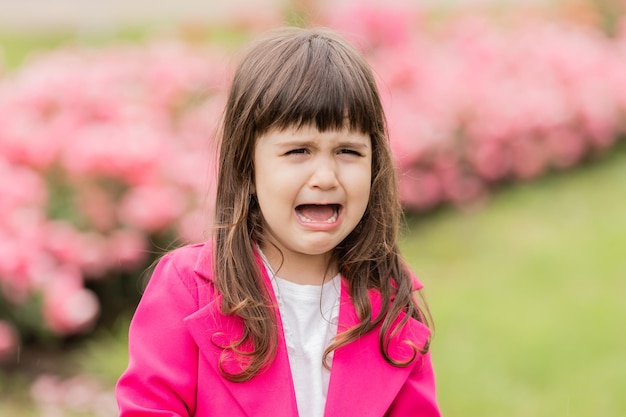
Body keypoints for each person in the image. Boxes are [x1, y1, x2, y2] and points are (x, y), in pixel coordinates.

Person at [116, 26, 441, 417]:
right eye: (299, 150)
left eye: (348, 151)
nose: (325, 176)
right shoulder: (186, 289)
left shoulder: (391, 304)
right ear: (247, 166)